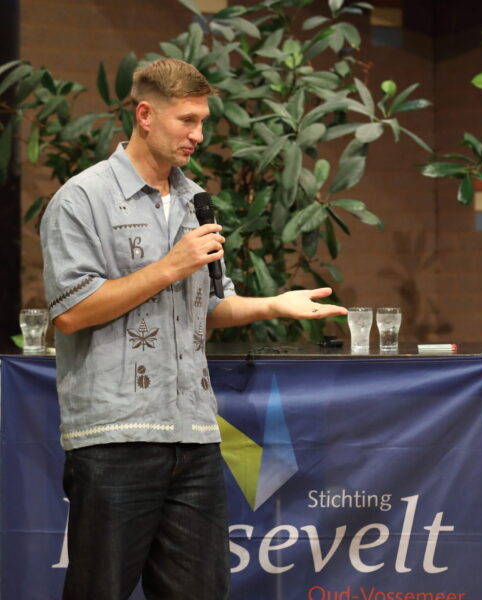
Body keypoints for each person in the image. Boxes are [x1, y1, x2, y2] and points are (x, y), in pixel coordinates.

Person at [40, 57, 347, 600]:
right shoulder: (82, 199)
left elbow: (206, 305)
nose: (198, 135)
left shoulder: (193, 199)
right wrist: (169, 266)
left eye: (202, 122)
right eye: (187, 120)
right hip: (116, 437)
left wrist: (274, 305)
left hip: (196, 435)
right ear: (145, 115)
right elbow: (71, 311)